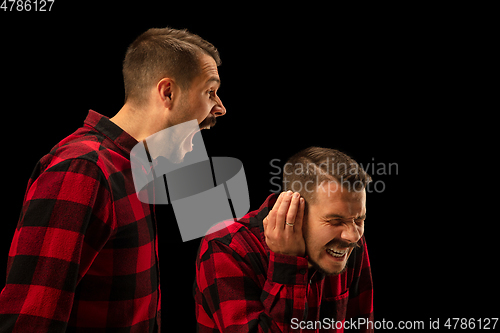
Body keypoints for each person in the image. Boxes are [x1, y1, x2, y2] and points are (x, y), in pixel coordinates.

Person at [0, 27, 225, 332]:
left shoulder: (135, 167)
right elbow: (32, 320)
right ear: (168, 92)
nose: (220, 108)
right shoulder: (83, 170)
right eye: (210, 91)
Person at [194, 147, 374, 332]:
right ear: (295, 212)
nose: (353, 236)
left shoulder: (348, 240)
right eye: (335, 221)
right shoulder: (226, 246)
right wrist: (287, 264)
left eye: (359, 220)